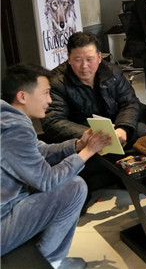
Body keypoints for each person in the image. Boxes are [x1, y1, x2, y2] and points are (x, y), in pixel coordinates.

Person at [1, 63, 111, 269]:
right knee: (74, 187)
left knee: (72, 184)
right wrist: (88, 152)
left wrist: (78, 144)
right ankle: (51, 261)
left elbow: (39, 151)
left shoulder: (8, 119)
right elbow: (46, 180)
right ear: (22, 96)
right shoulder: (14, 128)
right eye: (46, 93)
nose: (50, 100)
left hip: (8, 206)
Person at [42, 32, 144, 201]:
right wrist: (88, 135)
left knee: (144, 135)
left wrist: (123, 128)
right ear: (69, 58)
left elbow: (130, 103)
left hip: (114, 129)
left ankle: (132, 178)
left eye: (89, 59)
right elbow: (53, 122)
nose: (84, 66)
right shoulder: (57, 82)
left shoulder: (112, 72)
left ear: (99, 57)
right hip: (81, 137)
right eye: (77, 60)